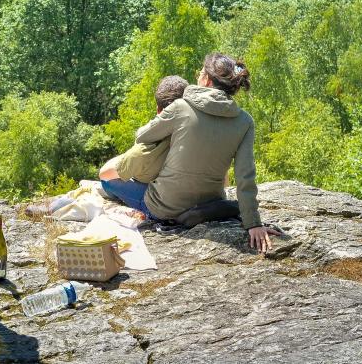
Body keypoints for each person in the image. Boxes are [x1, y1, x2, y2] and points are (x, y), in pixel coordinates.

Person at [101, 52, 276, 253]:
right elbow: (245, 176)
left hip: (165, 208)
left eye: (200, 72)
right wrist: (253, 223)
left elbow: (143, 136)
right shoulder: (245, 121)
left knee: (107, 180)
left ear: (207, 80)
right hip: (211, 206)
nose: (197, 76)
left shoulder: (181, 107)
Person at [98, 75, 188, 183]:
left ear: (158, 111)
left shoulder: (145, 150)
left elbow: (104, 173)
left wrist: (125, 157)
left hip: (156, 195)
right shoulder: (196, 134)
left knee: (107, 183)